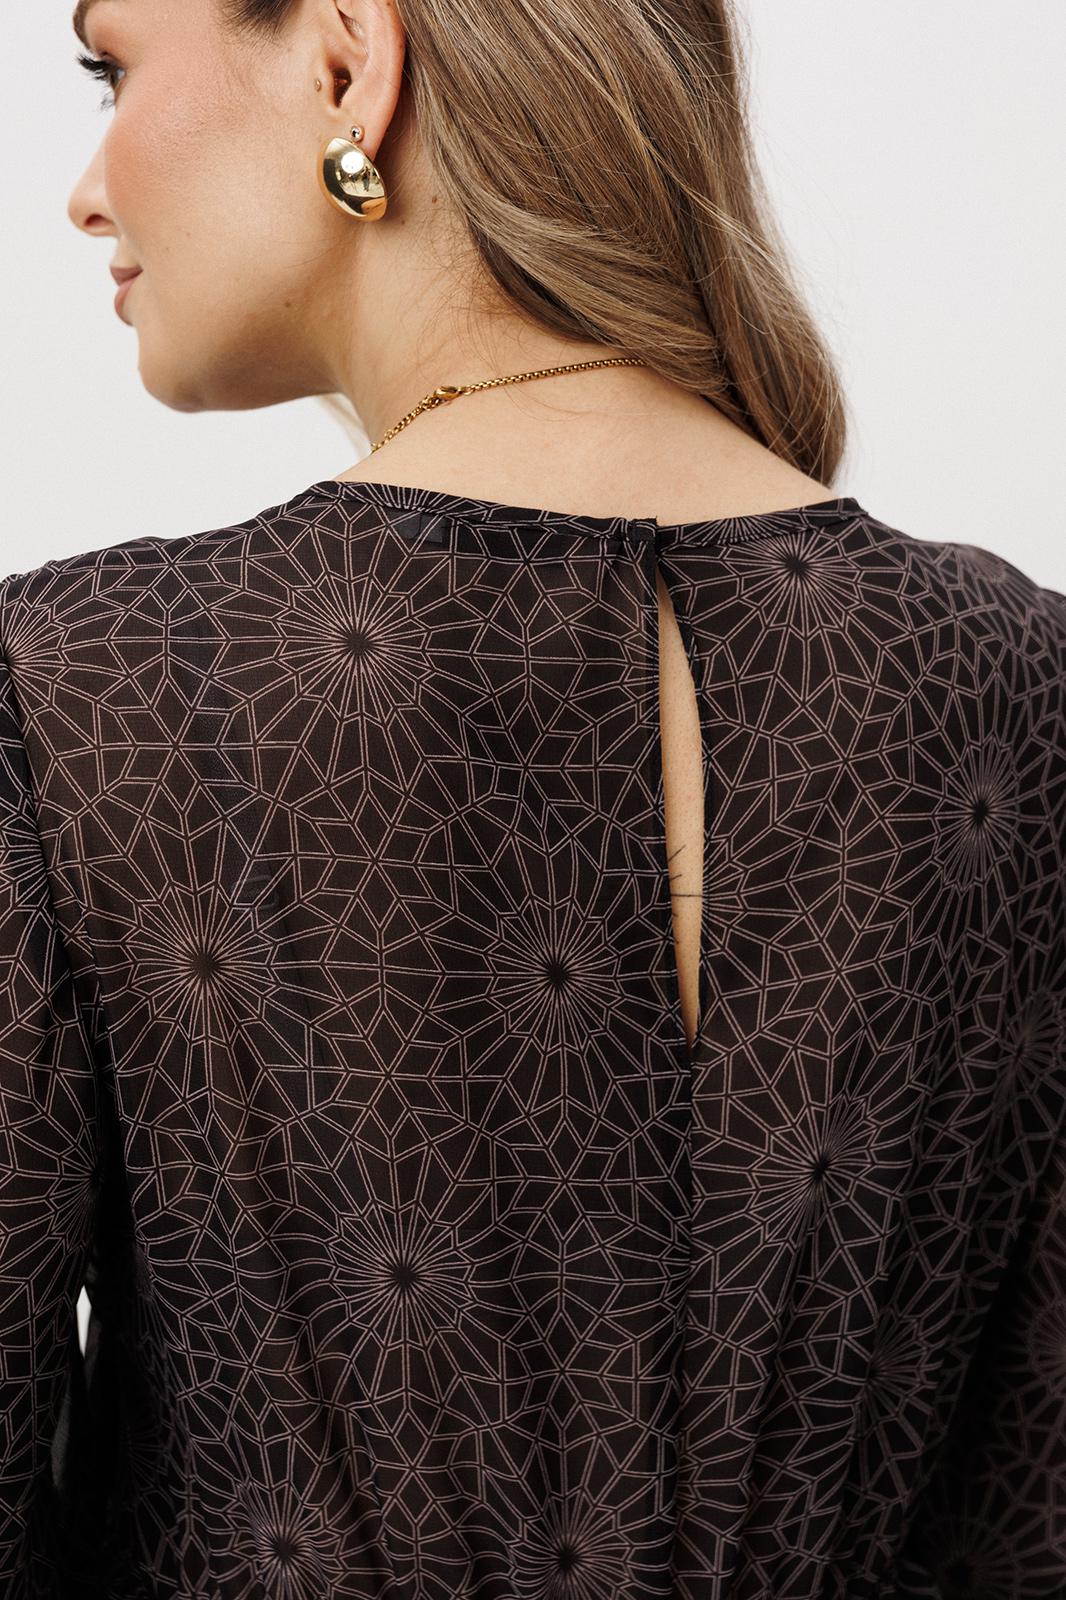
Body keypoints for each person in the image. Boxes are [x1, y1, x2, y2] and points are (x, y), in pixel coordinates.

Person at [0, 0, 1062, 1592]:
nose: (88, 193)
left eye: (114, 67)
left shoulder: (73, 685)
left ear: (349, 61)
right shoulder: (1023, 678)